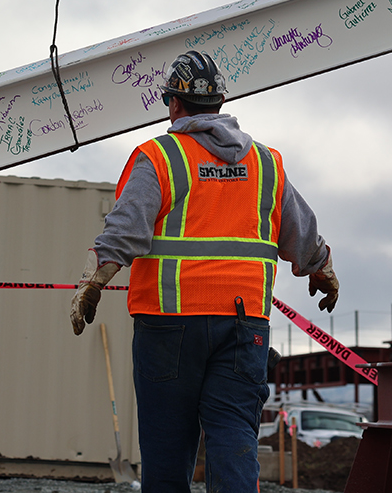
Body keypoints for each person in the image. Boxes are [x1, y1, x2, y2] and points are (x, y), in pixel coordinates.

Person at [69, 52, 339, 492]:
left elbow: (126, 227)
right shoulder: (265, 163)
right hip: (243, 326)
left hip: (168, 326)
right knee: (234, 436)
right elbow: (301, 232)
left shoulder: (160, 157)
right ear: (221, 102)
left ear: (173, 105)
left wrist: (92, 281)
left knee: (168, 448)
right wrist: (321, 268)